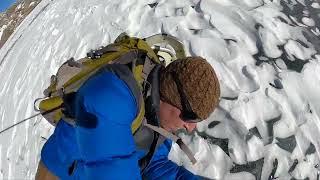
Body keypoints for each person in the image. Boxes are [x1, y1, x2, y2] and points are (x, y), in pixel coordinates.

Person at [35, 56, 220, 180]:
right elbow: (111, 165)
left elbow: (149, 163)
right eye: (190, 118)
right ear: (170, 96)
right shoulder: (115, 93)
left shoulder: (158, 118)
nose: (190, 128)